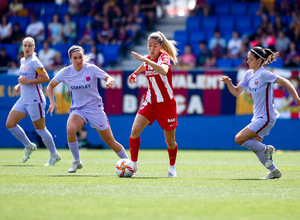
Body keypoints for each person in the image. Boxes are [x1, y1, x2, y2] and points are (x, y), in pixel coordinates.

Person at [220, 46, 300, 179]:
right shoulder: (248, 74)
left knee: (239, 139)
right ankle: (274, 171)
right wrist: (229, 83)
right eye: (247, 59)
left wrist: (297, 98)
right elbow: (236, 92)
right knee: (255, 147)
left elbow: (286, 81)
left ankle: (267, 149)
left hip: (267, 117)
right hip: (258, 117)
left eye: (251, 59)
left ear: (259, 60)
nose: (248, 62)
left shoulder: (264, 74)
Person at [47, 45, 128, 173]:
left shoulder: (91, 68)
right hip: (78, 109)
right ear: (70, 59)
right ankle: (77, 161)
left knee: (110, 141)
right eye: (75, 58)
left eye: (80, 57)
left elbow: (109, 77)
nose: (79, 61)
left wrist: (109, 81)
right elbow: (50, 86)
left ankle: (129, 164)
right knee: (70, 128)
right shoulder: (65, 72)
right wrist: (52, 102)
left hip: (95, 108)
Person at [128, 31, 179, 178]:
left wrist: (147, 60)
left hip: (166, 104)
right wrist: (135, 73)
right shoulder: (148, 58)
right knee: (134, 131)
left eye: (155, 46)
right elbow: (145, 66)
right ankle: (133, 166)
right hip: (150, 102)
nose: (151, 48)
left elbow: (163, 70)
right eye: (149, 45)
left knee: (170, 142)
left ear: (160, 46)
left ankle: (172, 167)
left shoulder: (164, 57)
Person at [5, 37, 61, 166]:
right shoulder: (23, 60)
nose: (27, 48)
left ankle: (54, 155)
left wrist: (27, 82)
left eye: (30, 45)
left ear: (34, 48)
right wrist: (20, 85)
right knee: (10, 124)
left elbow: (46, 77)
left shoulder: (35, 62)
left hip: (35, 100)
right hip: (23, 99)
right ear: (22, 47)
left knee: (41, 130)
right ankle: (28, 145)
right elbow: (25, 78)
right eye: (25, 45)